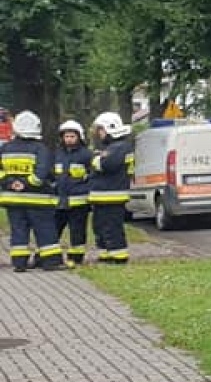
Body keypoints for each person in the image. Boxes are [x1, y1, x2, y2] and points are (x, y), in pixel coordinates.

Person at [0, 111, 64, 272]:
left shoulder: (5, 148)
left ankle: (19, 263)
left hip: (13, 200)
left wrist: (10, 183)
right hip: (38, 200)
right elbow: (41, 173)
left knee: (18, 231)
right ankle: (51, 262)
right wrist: (26, 183)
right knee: (45, 230)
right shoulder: (40, 149)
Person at [88, 112, 135, 265]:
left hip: (112, 195)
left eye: (101, 130)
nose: (99, 134)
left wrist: (95, 159)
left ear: (110, 129)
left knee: (112, 227)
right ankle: (106, 253)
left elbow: (106, 165)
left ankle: (119, 256)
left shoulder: (120, 147)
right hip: (104, 196)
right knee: (100, 227)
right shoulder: (113, 147)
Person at [54, 120, 93, 267]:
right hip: (59, 201)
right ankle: (48, 256)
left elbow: (92, 176)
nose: (69, 139)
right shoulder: (57, 154)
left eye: (72, 136)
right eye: (66, 136)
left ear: (79, 137)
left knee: (77, 231)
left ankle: (76, 257)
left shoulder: (86, 155)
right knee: (53, 229)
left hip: (79, 202)